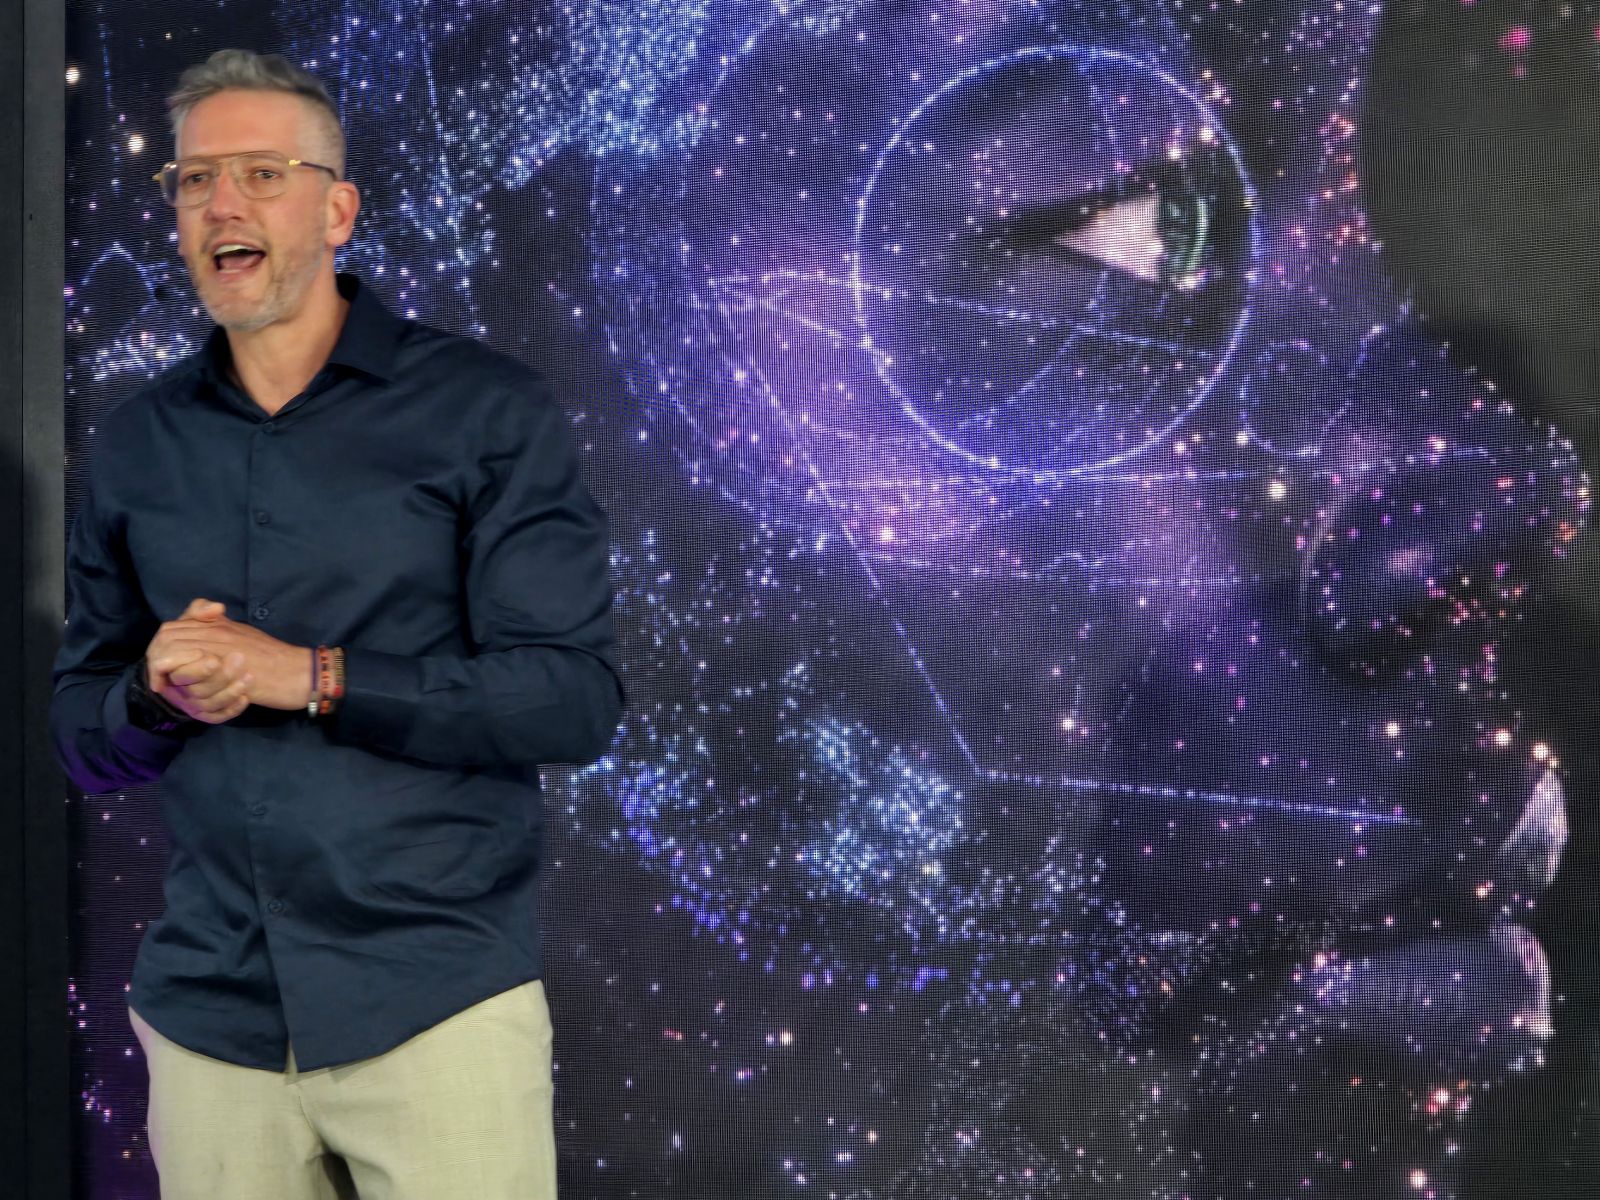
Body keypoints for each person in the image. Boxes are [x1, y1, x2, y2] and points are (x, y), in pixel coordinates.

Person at [49, 48, 623, 1199]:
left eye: (262, 173)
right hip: (211, 1022)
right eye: (195, 179)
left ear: (338, 209)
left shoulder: (485, 410)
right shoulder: (136, 443)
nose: (223, 203)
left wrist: (312, 675)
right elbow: (79, 733)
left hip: (435, 1006)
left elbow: (571, 700)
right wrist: (154, 699)